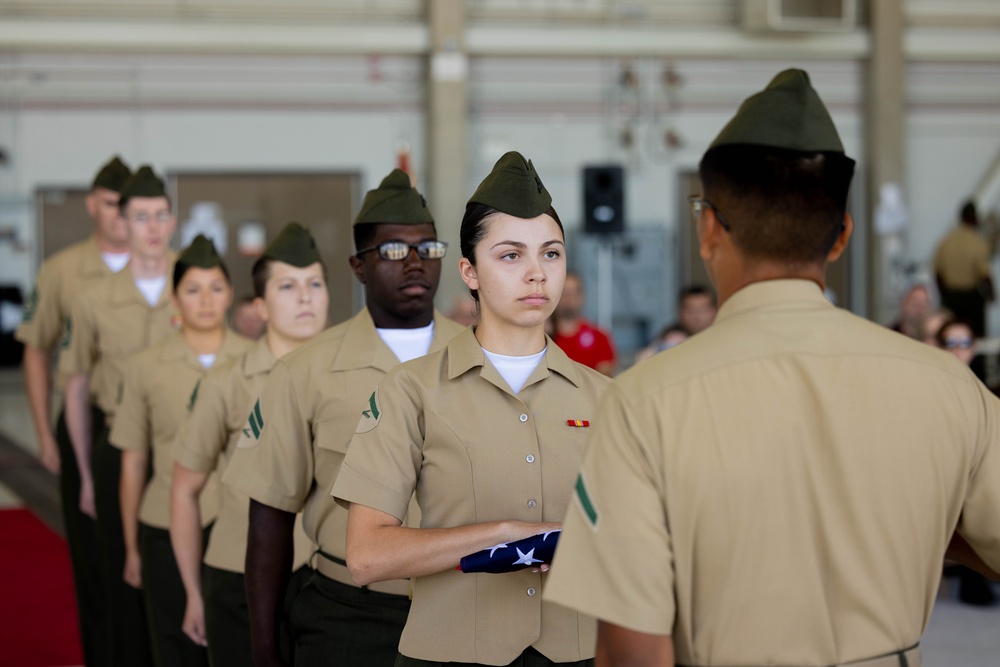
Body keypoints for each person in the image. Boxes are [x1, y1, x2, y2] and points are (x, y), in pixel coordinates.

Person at [545, 69, 1000, 667]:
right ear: (841, 236)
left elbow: (632, 649)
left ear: (708, 229)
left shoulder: (643, 400)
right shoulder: (949, 387)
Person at [333, 151, 610, 666]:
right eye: (510, 255)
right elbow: (367, 556)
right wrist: (505, 537)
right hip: (451, 654)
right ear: (470, 271)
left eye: (551, 254)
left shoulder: (607, 398)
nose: (536, 274)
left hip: (582, 653)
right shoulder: (410, 391)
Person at [223, 169, 464, 667]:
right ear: (358, 266)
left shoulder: (478, 361)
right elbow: (269, 518)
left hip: (462, 608)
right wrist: (264, 648)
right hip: (349, 615)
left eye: (428, 248)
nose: (415, 263)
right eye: (394, 251)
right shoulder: (305, 371)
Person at [170, 223, 329, 667]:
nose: (304, 297)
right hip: (239, 580)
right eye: (288, 286)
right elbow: (184, 489)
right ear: (259, 306)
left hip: (328, 580)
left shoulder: (353, 378)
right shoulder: (227, 382)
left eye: (315, 284)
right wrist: (192, 593)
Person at [110, 235, 251, 667]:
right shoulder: (144, 367)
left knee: (238, 645)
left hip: (237, 526)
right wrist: (132, 547)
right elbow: (133, 461)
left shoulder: (257, 361)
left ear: (230, 293)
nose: (205, 300)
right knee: (175, 645)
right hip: (164, 528)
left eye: (215, 287)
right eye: (192, 289)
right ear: (175, 298)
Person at [14, 155, 132, 667]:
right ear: (92, 205)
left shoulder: (169, 269)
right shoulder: (61, 270)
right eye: (110, 204)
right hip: (90, 424)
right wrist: (44, 433)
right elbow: (37, 351)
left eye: (130, 206)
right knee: (93, 556)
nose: (121, 216)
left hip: (158, 430)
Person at [60, 164, 180, 667]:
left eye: (159, 215)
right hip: (117, 449)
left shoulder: (195, 287)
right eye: (139, 217)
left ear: (171, 222)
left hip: (181, 450)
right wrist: (86, 475)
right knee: (122, 577)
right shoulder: (92, 300)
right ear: (122, 224)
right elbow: (78, 385)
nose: (151, 227)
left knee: (180, 572)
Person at [934, 200, 994, 337]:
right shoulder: (977, 242)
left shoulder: (946, 241)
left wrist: (945, 295)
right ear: (974, 218)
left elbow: (937, 274)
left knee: (949, 337)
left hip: (951, 298)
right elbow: (984, 274)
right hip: (972, 300)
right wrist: (992, 294)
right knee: (975, 339)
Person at [552, 271, 616, 376]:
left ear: (582, 296)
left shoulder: (600, 337)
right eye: (564, 292)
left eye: (574, 292)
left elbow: (604, 380)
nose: (569, 297)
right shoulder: (541, 338)